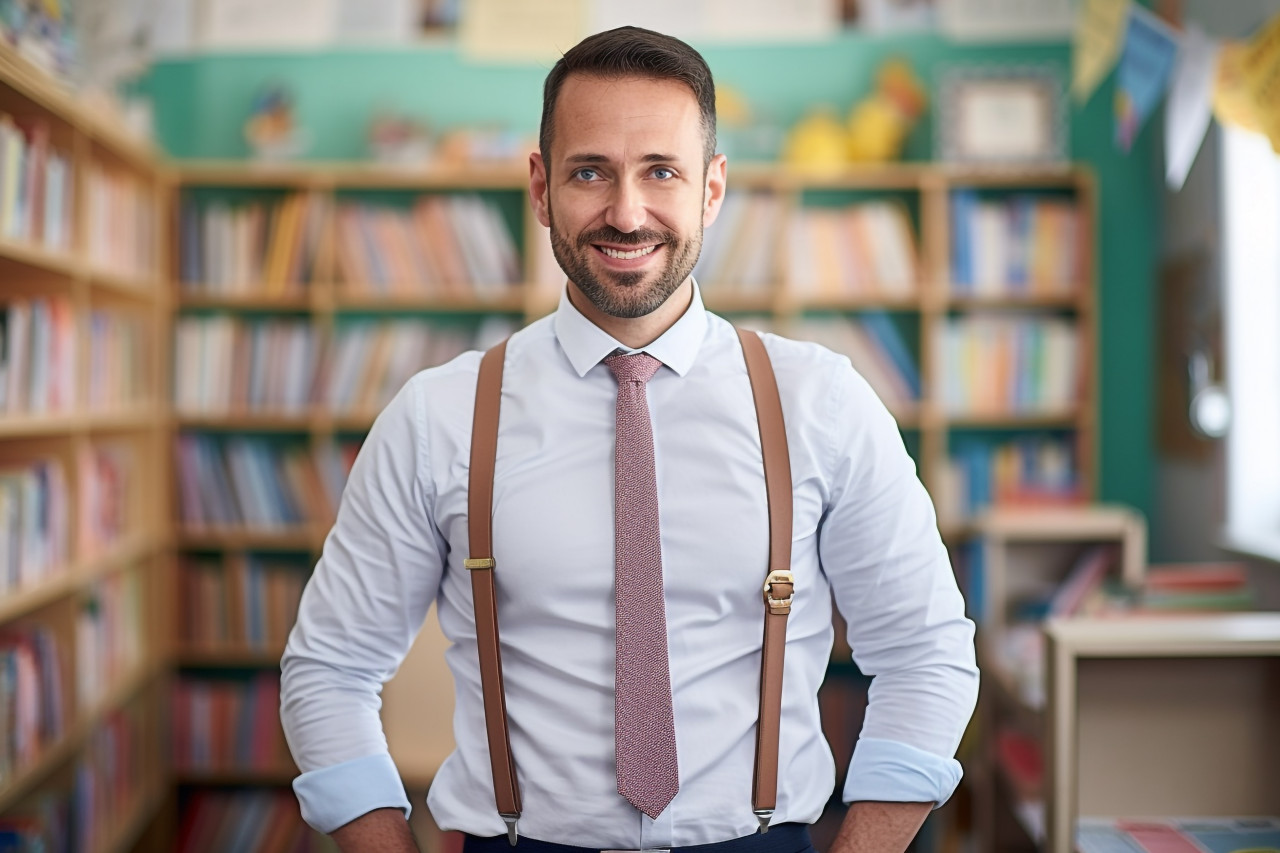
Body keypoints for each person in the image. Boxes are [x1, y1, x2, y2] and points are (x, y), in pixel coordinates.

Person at [280, 25, 978, 853]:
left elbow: (926, 652)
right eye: (589, 172)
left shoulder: (819, 402)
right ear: (540, 187)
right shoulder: (439, 416)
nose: (626, 211)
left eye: (662, 172)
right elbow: (328, 670)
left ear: (712, 189)